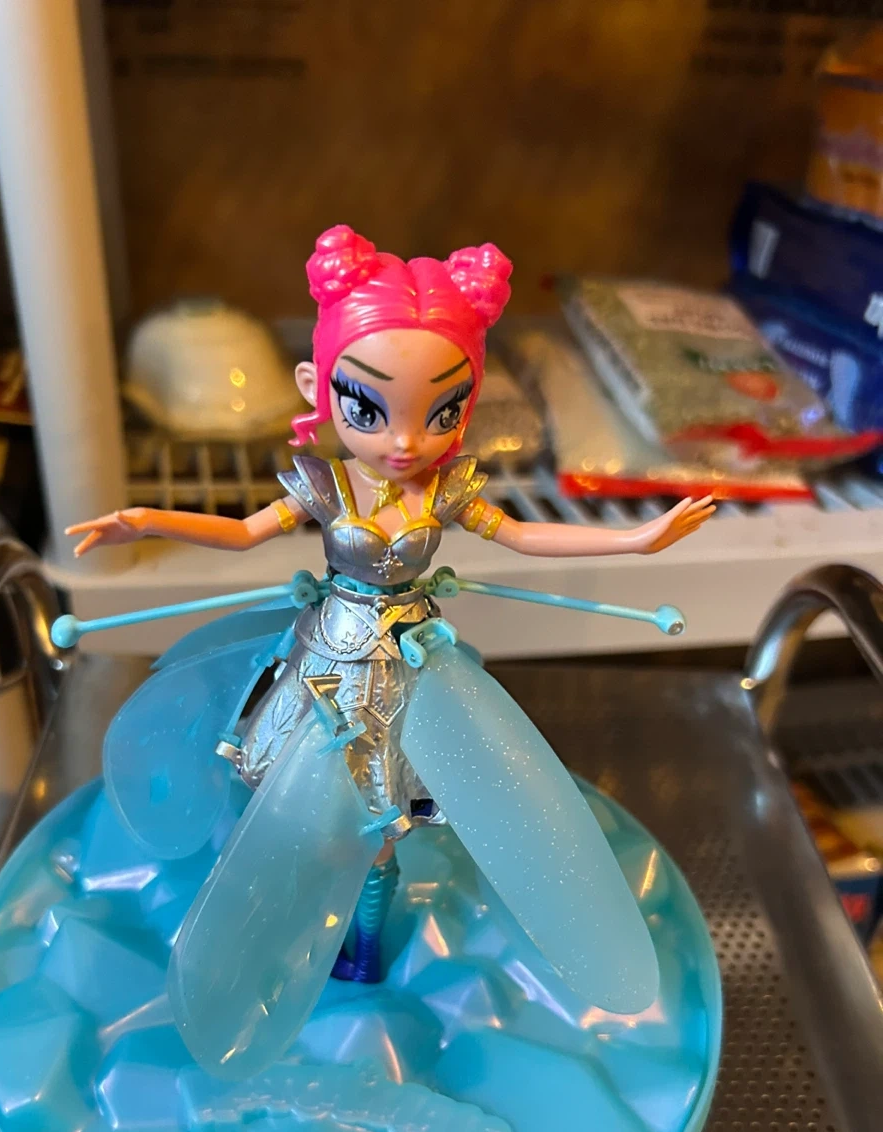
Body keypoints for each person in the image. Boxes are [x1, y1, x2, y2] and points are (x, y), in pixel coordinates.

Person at [67, 225, 713, 1081]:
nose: (405, 441)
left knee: (381, 836)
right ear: (317, 389)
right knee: (297, 810)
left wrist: (635, 539)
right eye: (369, 409)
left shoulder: (446, 489)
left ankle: (363, 951)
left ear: (468, 405)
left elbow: (524, 536)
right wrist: (145, 520)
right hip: (325, 668)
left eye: (440, 412)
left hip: (410, 674)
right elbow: (241, 532)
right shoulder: (327, 484)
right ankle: (286, 943)